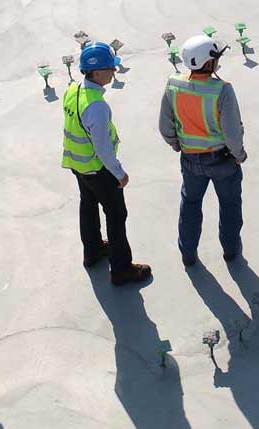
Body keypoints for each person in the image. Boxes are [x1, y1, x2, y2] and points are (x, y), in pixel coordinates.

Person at [62, 41, 151, 286]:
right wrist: (119, 173)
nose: (114, 71)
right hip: (98, 169)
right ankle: (122, 269)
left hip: (77, 164)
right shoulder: (97, 106)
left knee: (88, 205)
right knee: (116, 214)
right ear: (97, 72)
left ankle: (92, 252)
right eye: (111, 68)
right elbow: (103, 148)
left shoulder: (73, 90)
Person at [159, 34, 247, 266]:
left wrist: (176, 144)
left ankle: (188, 253)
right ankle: (231, 251)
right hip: (222, 160)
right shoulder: (222, 90)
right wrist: (239, 155)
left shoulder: (174, 84)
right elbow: (231, 132)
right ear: (208, 63)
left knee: (190, 204)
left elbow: (165, 125)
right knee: (229, 205)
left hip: (190, 159)